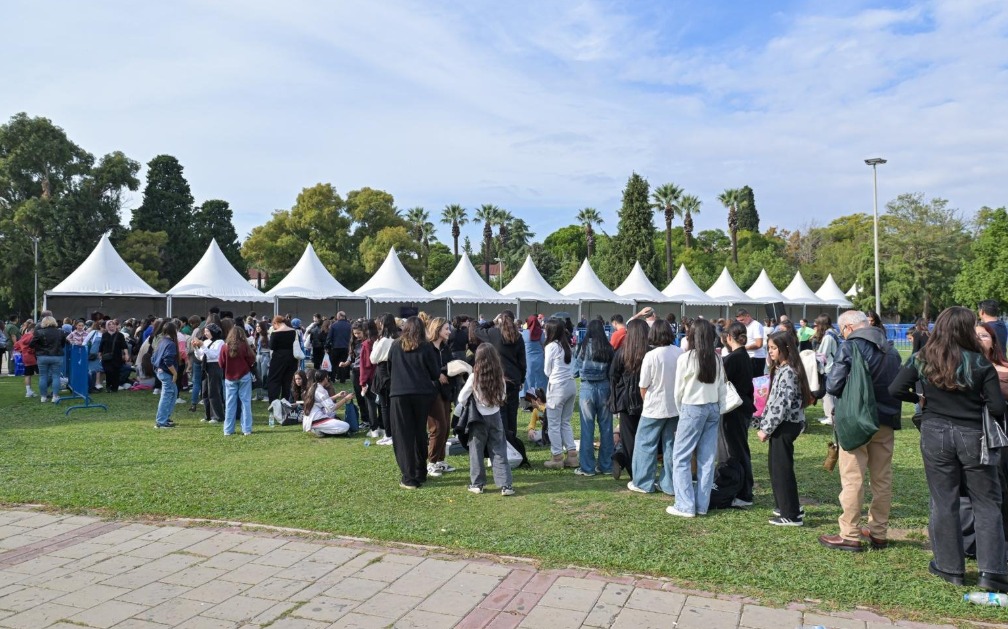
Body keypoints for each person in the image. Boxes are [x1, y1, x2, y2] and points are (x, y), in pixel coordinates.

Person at [890, 306, 1008, 591]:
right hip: (973, 435)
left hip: (934, 432)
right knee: (986, 502)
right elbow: (997, 407)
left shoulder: (922, 358)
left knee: (944, 500)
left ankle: (949, 568)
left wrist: (920, 399)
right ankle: (991, 572)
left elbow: (895, 389)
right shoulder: (980, 363)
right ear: (968, 329)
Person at [819, 310, 901, 552]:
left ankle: (850, 534)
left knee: (853, 478)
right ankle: (878, 532)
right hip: (885, 420)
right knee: (882, 479)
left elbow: (833, 385)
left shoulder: (849, 346)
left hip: (856, 420)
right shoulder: (891, 349)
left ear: (848, 328)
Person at [666, 318, 727, 517]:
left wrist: (681, 412)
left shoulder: (686, 358)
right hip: (713, 407)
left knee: (681, 457)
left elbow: (678, 391)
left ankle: (684, 505)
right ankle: (701, 505)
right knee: (707, 459)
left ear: (692, 335)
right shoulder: (717, 358)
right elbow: (721, 387)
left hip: (692, 407)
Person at [757, 330, 814, 526]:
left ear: (786, 348)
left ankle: (790, 514)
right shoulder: (783, 368)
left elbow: (782, 404)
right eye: (769, 348)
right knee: (777, 468)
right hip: (783, 424)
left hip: (785, 425)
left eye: (774, 348)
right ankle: (788, 506)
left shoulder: (789, 371)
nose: (770, 351)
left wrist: (766, 428)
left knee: (782, 469)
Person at [628, 320, 682, 495]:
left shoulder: (651, 356)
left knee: (645, 444)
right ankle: (670, 484)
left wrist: (647, 400)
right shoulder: (680, 352)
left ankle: (643, 482)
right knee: (671, 445)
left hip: (654, 406)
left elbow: (643, 385)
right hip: (675, 406)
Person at [388, 316, 440, 489]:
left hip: (400, 393)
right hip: (422, 394)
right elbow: (435, 373)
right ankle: (420, 471)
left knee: (403, 435)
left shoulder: (395, 345)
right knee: (419, 432)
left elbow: (389, 368)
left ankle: (409, 477)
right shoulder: (426, 347)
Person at [458, 344, 515, 496]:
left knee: (476, 451)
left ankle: (477, 484)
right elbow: (502, 397)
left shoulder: (474, 377)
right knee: (499, 450)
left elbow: (461, 397)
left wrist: (472, 402)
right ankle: (506, 485)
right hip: (495, 416)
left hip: (478, 418)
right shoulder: (500, 377)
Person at [720, 321, 756, 507]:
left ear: (728, 337)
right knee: (740, 449)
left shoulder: (733, 358)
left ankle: (744, 493)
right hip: (743, 407)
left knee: (738, 451)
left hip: (735, 409)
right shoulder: (744, 356)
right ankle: (744, 489)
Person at [475, 313, 526, 444]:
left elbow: (477, 330)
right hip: (514, 377)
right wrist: (522, 379)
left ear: (499, 320)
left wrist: (492, 322)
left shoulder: (493, 333)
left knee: (501, 410)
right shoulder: (518, 336)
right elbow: (522, 361)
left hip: (499, 377)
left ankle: (504, 441)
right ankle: (512, 439)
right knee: (512, 412)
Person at [609, 319, 649, 480]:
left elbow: (613, 375)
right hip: (646, 400)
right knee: (646, 438)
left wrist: (616, 397)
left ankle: (627, 464)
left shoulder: (622, 352)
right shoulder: (650, 353)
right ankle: (635, 469)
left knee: (629, 439)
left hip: (626, 401)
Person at [573, 319, 615, 476]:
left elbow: (574, 371)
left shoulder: (582, 347)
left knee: (587, 428)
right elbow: (612, 371)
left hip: (587, 388)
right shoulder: (608, 347)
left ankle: (587, 467)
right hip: (604, 388)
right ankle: (606, 465)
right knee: (607, 428)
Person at [542, 318, 577, 469]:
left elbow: (547, 371)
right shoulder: (566, 345)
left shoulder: (551, 346)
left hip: (557, 386)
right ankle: (572, 455)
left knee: (554, 424)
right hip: (571, 384)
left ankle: (557, 456)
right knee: (565, 422)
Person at [426, 317, 456, 477]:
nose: (449, 332)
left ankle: (440, 460)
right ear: (437, 329)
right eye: (446, 329)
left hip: (445, 391)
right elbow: (425, 369)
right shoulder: (427, 348)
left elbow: (449, 366)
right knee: (437, 427)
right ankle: (431, 462)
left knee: (446, 427)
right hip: (432, 392)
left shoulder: (445, 348)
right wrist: (438, 375)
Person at [219, 324, 256, 436]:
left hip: (229, 377)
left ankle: (228, 430)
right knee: (246, 402)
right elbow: (251, 359)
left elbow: (221, 363)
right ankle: (246, 429)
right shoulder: (244, 346)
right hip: (244, 375)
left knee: (230, 404)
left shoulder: (225, 347)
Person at [370, 314, 398, 445]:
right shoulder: (397, 339)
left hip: (383, 372)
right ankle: (393, 433)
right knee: (392, 405)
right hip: (394, 372)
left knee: (385, 406)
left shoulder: (383, 341)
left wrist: (375, 344)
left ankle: (389, 434)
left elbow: (373, 359)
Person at [302, 369, 353, 436]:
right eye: (327, 377)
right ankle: (318, 430)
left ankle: (319, 430)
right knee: (346, 426)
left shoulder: (314, 387)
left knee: (334, 417)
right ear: (325, 378)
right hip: (316, 420)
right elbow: (332, 408)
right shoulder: (320, 390)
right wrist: (346, 399)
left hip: (312, 419)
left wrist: (337, 395)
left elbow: (323, 401)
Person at [194, 323, 225, 423]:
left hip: (215, 366)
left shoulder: (220, 342)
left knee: (214, 391)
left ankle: (217, 416)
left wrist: (202, 346)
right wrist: (196, 348)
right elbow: (201, 356)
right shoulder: (206, 342)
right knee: (205, 392)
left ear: (213, 332)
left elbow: (213, 355)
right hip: (205, 366)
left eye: (207, 331)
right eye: (205, 331)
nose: (205, 333)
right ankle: (208, 415)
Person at [813, 314, 840, 426]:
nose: (816, 327)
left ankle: (830, 417)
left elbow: (822, 354)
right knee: (829, 394)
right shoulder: (833, 333)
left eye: (817, 325)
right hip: (833, 367)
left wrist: (813, 357)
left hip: (829, 368)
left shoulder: (828, 337)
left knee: (827, 393)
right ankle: (828, 415)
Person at [151, 320, 179, 429]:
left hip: (160, 371)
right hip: (166, 372)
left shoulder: (161, 341)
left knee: (173, 393)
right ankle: (161, 422)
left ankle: (165, 418)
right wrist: (175, 373)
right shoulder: (170, 344)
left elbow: (153, 358)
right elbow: (168, 361)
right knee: (166, 396)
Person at [31, 316, 65, 403]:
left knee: (43, 376)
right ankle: (55, 396)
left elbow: (31, 344)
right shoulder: (60, 332)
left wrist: (39, 348)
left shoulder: (39, 332)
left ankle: (43, 397)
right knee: (56, 376)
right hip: (57, 356)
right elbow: (63, 344)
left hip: (42, 356)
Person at [360, 319, 383, 439]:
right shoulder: (380, 340)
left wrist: (363, 382)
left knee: (371, 404)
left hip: (370, 377)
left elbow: (365, 365)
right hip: (381, 375)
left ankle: (374, 429)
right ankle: (383, 427)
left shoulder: (366, 344)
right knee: (382, 403)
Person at [266, 316, 298, 403]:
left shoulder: (275, 333)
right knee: (288, 381)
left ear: (276, 323)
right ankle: (286, 401)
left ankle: (274, 402)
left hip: (278, 358)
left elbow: (271, 346)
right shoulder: (293, 331)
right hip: (292, 357)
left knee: (274, 380)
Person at [99, 319, 131, 393]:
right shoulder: (104, 335)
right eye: (109, 324)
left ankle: (114, 387)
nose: (111, 326)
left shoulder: (120, 335)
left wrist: (126, 354)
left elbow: (124, 346)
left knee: (116, 372)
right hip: (106, 357)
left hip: (117, 357)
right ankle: (108, 386)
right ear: (107, 326)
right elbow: (101, 345)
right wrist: (99, 354)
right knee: (108, 371)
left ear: (115, 325)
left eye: (113, 324)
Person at [735, 309, 766, 376]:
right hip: (747, 357)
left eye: (742, 320)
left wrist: (743, 348)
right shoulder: (744, 326)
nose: (741, 322)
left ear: (748, 316)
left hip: (756, 358)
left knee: (755, 380)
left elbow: (759, 344)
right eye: (739, 321)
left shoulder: (756, 325)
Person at [522, 315, 546, 397]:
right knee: (540, 379)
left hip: (528, 358)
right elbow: (543, 344)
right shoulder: (541, 332)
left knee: (529, 379)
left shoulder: (524, 333)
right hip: (540, 358)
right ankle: (540, 398)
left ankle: (529, 399)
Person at [327, 311, 352, 383]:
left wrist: (327, 346)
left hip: (335, 347)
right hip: (345, 347)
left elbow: (329, 337)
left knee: (334, 364)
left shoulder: (334, 325)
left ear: (339, 316)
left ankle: (333, 378)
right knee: (343, 363)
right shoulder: (349, 325)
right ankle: (342, 379)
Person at [14, 321, 37, 397]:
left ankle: (28, 391)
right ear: (33, 329)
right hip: (32, 357)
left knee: (28, 374)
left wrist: (22, 350)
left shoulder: (24, 336)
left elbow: (16, 346)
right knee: (42, 373)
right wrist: (32, 351)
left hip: (25, 357)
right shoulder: (32, 336)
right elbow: (32, 346)